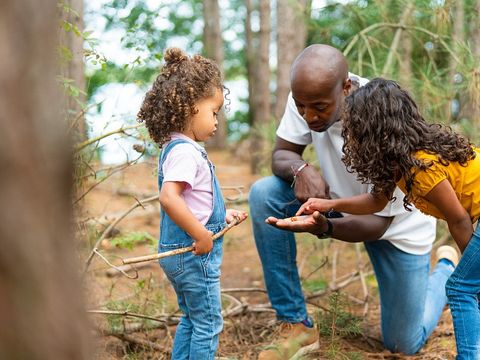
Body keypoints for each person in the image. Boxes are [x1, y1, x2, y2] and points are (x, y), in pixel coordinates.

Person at [249, 44, 457, 359]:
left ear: (346, 87)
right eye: (301, 106)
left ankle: (444, 270)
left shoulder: (383, 118)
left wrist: (325, 227)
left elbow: (377, 221)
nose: (309, 116)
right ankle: (295, 323)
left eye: (318, 107)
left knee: (404, 343)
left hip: (396, 225)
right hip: (335, 202)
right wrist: (301, 169)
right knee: (265, 194)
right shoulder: (308, 95)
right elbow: (282, 153)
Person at [297, 77, 480, 359]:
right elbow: (375, 201)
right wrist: (329, 203)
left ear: (375, 131)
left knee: (460, 288)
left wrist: (472, 268)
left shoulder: (422, 167)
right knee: (466, 285)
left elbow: (459, 220)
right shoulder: (399, 163)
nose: (350, 137)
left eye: (355, 130)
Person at [137, 47, 247, 360]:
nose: (216, 121)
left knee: (192, 317)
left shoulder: (175, 147)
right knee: (209, 322)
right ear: (188, 107)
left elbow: (194, 201)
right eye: (213, 112)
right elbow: (170, 198)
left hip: (179, 253)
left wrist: (222, 217)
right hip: (192, 255)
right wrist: (201, 234)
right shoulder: (186, 152)